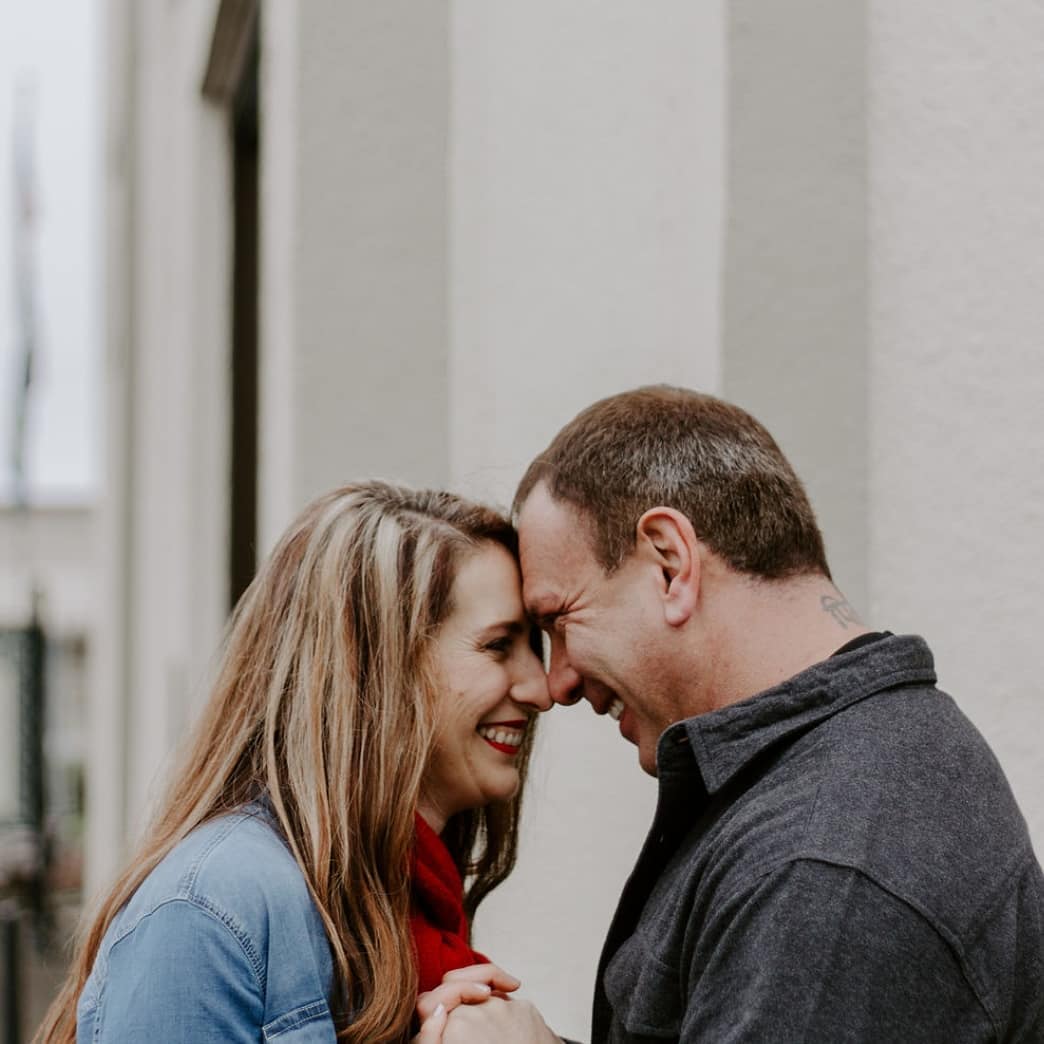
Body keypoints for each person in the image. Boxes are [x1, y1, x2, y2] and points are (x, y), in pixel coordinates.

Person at [434, 385, 1044, 1042]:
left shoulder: (820, 874)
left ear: (671, 563)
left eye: (559, 620)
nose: (558, 685)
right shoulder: (865, 768)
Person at [36, 481, 551, 1043]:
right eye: (500, 645)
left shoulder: (401, 903)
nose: (540, 688)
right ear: (376, 666)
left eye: (535, 647)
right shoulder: (208, 909)